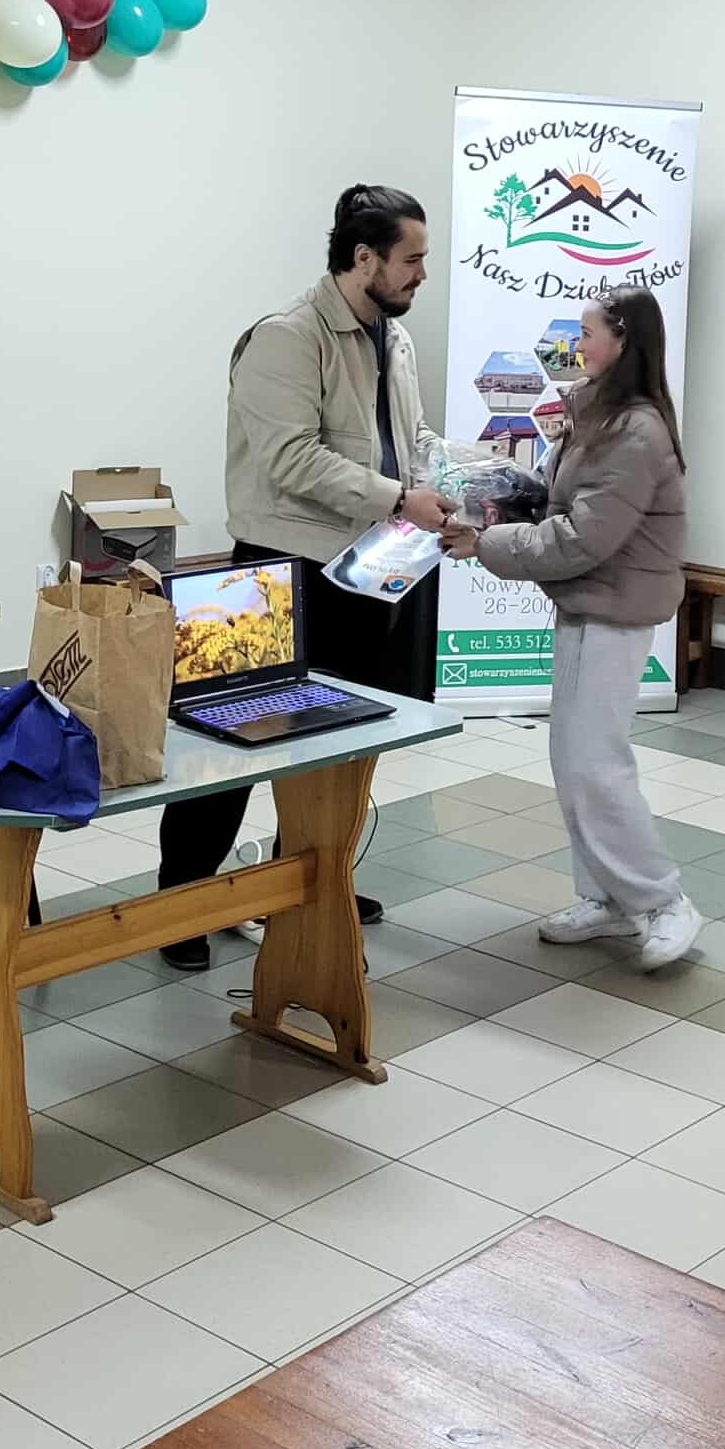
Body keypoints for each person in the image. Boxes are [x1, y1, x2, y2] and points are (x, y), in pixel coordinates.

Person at [156, 184, 454, 971]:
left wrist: (456, 475)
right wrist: (399, 498)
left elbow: (409, 436)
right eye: (412, 259)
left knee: (344, 743)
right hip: (278, 575)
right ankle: (180, 906)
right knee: (229, 751)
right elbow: (292, 460)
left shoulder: (395, 337)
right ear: (364, 259)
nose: (423, 274)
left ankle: (312, 882)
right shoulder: (286, 339)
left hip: (371, 566)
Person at [440, 287, 701, 972]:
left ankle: (662, 900)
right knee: (573, 758)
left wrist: (486, 543)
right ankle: (607, 896)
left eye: (585, 333)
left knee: (596, 763)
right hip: (589, 604)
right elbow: (563, 502)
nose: (574, 345)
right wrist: (489, 497)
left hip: (614, 609)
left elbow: (584, 537)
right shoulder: (599, 413)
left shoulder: (635, 432)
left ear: (622, 339)